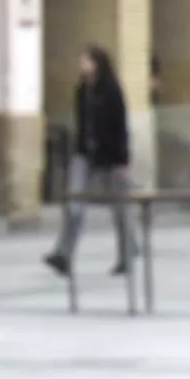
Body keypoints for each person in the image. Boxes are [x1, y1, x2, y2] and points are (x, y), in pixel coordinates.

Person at [44, 44, 137, 278]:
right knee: (74, 203)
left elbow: (120, 126)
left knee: (120, 209)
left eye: (85, 60)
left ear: (97, 63)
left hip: (111, 156)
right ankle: (63, 255)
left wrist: (121, 158)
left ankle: (127, 254)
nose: (81, 64)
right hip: (84, 154)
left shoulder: (111, 90)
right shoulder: (82, 90)